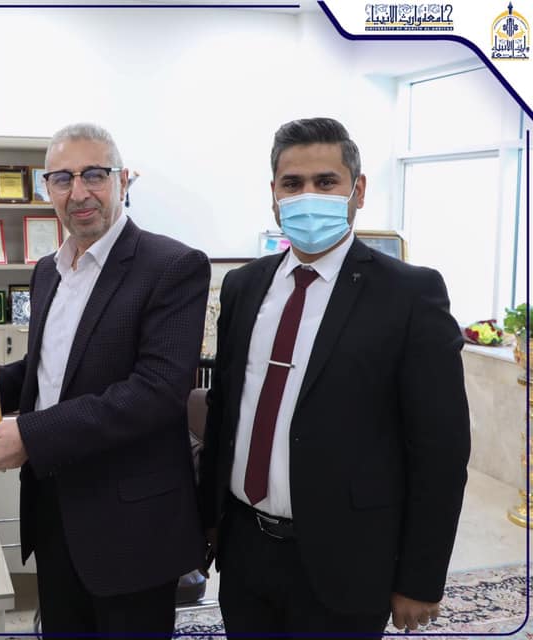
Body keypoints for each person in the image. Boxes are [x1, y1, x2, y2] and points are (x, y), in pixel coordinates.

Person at [197, 117, 471, 636]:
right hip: (245, 550)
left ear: (357, 190)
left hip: (347, 559)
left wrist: (420, 577)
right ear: (273, 195)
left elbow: (441, 449)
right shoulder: (243, 287)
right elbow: (226, 411)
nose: (308, 196)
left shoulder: (410, 295)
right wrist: (210, 519)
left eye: (326, 182)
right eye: (292, 184)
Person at [0, 123, 210, 636]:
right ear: (46, 188)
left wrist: (30, 435)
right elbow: (41, 372)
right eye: (62, 179)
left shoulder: (173, 266)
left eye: (94, 175)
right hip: (53, 512)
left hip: (131, 529)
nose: (78, 193)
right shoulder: (48, 271)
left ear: (123, 181)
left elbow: (156, 392)